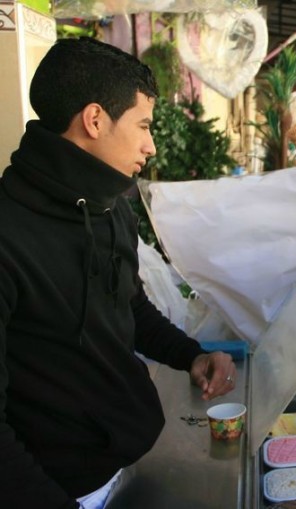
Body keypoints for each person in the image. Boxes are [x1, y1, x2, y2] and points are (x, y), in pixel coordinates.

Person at [0, 38, 236, 508]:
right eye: (143, 125)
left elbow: (128, 304)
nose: (150, 145)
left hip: (122, 468)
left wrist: (190, 355)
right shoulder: (9, 232)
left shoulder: (111, 209)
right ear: (94, 119)